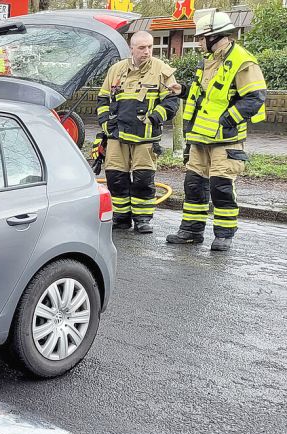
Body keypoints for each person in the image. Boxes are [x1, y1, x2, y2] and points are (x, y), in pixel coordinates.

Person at [166, 9, 267, 252]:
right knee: (193, 186)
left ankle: (224, 234)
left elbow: (255, 97)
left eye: (202, 37)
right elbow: (206, 97)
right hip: (201, 138)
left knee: (220, 187)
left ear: (215, 36)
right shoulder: (210, 61)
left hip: (226, 140)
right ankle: (191, 232)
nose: (199, 42)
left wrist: (225, 121)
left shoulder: (243, 61)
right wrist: (183, 90)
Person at [96, 30, 181, 234]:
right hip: (117, 136)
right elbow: (103, 99)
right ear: (131, 48)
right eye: (142, 47)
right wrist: (106, 125)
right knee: (116, 178)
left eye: (150, 47)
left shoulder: (162, 70)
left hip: (145, 138)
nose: (147, 51)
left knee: (143, 179)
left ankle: (143, 219)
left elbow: (172, 101)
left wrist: (154, 118)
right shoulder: (116, 70)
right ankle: (121, 217)